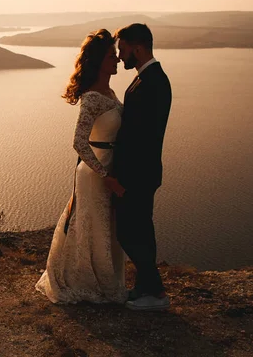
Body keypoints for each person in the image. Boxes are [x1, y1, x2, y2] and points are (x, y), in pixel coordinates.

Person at [36, 29, 127, 304]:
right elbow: (78, 142)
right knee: (93, 228)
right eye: (112, 56)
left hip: (109, 168)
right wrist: (105, 175)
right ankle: (90, 283)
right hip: (95, 173)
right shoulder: (91, 98)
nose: (118, 61)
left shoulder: (109, 91)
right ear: (100, 60)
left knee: (106, 228)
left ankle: (108, 281)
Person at [112, 23, 172, 311]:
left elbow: (142, 138)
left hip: (138, 174)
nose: (120, 56)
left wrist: (120, 178)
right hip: (142, 173)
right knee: (141, 231)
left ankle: (157, 294)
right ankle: (144, 288)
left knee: (128, 231)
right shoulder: (146, 78)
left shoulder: (154, 82)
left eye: (122, 49)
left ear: (138, 48)